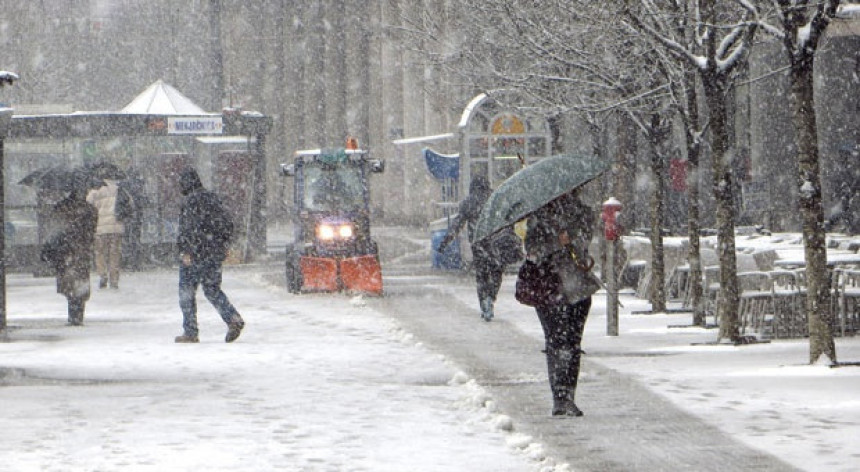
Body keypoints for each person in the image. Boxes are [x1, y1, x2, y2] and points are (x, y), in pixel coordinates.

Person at [523, 189, 595, 417]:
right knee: (557, 342)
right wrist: (556, 242)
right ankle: (561, 397)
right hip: (550, 288)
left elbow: (585, 241)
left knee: (571, 343)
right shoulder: (539, 217)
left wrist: (571, 240)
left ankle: (567, 396)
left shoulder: (581, 213)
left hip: (575, 287)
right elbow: (532, 250)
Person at [174, 167, 244, 343]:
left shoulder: (189, 202)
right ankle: (232, 318)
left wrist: (185, 250)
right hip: (214, 252)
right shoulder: (213, 199)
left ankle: (190, 331)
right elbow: (228, 223)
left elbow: (187, 229)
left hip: (195, 253)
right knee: (212, 289)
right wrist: (224, 244)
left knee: (186, 292)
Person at [438, 175, 523, 321]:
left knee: (482, 275)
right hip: (496, 243)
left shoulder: (469, 202)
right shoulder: (495, 199)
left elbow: (457, 224)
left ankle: (484, 302)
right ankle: (491, 297)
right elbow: (508, 218)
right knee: (496, 272)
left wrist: (445, 241)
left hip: (478, 244)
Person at [41, 171, 98, 326]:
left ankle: (73, 312)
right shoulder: (90, 209)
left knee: (69, 282)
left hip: (64, 251)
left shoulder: (60, 208)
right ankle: (78, 313)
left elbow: (55, 229)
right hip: (81, 251)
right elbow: (91, 231)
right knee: (80, 282)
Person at [87, 176, 124, 289]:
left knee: (100, 253)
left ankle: (102, 274)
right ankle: (114, 280)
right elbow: (129, 204)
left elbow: (88, 204)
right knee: (114, 254)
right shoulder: (120, 189)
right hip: (116, 227)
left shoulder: (96, 190)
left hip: (100, 227)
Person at [118, 167, 148, 271]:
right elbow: (145, 200)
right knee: (135, 239)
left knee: (125, 239)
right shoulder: (140, 185)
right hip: (137, 216)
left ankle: (126, 262)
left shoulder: (123, 185)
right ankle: (135, 263)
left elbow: (120, 201)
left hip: (127, 216)